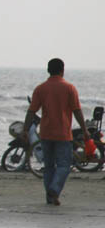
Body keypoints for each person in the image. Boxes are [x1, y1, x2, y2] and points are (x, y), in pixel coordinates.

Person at [24, 58, 90, 206]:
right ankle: (54, 189)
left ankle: (50, 197)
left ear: (48, 70)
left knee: (49, 167)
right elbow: (77, 111)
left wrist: (25, 130)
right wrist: (84, 129)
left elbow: (31, 111)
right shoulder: (69, 88)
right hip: (63, 133)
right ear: (62, 70)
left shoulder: (40, 89)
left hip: (46, 133)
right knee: (64, 166)